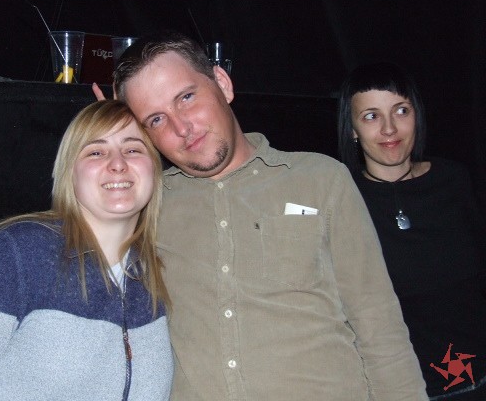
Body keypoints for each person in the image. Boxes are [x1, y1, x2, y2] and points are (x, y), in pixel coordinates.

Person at [94, 31, 427, 400]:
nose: (181, 128)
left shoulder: (321, 179)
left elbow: (381, 330)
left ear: (222, 83)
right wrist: (113, 139)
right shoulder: (146, 206)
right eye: (156, 119)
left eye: (186, 98)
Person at [0, 100, 173, 401]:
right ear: (70, 173)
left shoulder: (152, 275)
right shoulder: (14, 253)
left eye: (133, 149)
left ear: (154, 169)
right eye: (96, 152)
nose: (118, 163)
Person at [338, 62, 486, 400]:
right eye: (371, 116)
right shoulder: (341, 199)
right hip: (403, 391)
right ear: (353, 129)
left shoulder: (454, 181)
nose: (389, 128)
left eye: (401, 110)